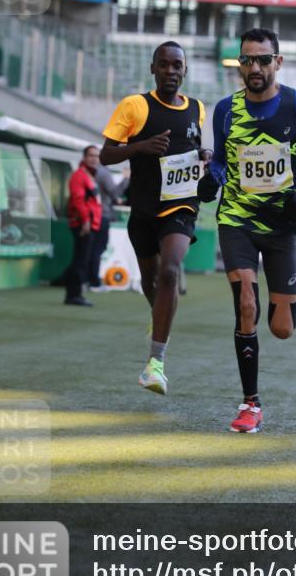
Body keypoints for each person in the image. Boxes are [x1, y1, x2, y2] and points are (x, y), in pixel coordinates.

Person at [198, 28, 296, 433]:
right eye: (246, 60)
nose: (254, 67)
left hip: (283, 224)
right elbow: (222, 162)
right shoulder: (225, 110)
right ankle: (251, 404)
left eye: (263, 59)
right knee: (245, 302)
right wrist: (211, 179)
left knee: (281, 329)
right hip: (236, 219)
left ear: (278, 63)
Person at [100, 41, 211, 395]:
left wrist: (203, 153)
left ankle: (155, 364)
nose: (170, 71)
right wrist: (140, 147)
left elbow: (192, 148)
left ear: (185, 70)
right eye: (163, 65)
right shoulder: (135, 106)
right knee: (151, 282)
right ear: (153, 68)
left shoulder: (197, 108)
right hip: (144, 209)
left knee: (170, 271)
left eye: (176, 65)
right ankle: (158, 317)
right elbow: (105, 155)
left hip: (181, 206)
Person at [64, 145, 102, 306]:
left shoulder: (90, 176)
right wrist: (85, 221)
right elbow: (78, 200)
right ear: (84, 158)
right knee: (80, 260)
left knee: (81, 260)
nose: (94, 158)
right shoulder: (79, 175)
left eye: (96, 156)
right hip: (82, 224)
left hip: (90, 224)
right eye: (91, 155)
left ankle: (73, 293)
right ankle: (74, 295)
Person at [88, 162, 128, 290]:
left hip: (92, 215)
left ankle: (87, 280)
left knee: (92, 248)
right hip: (100, 215)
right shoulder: (103, 172)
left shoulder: (90, 172)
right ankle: (93, 282)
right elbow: (115, 193)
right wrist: (126, 178)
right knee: (97, 248)